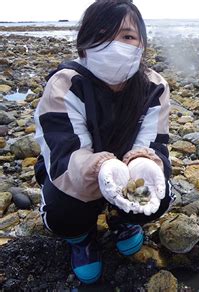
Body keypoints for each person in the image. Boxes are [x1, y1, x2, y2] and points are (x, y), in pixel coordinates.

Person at [33, 0, 173, 284]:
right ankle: (81, 237)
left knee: (159, 196)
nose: (114, 45)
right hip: (75, 171)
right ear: (84, 46)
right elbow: (65, 151)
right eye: (102, 35)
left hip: (127, 168)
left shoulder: (154, 87)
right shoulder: (66, 83)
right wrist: (98, 167)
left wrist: (145, 162)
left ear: (142, 45)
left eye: (127, 36)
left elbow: (154, 141)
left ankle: (123, 221)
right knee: (62, 212)